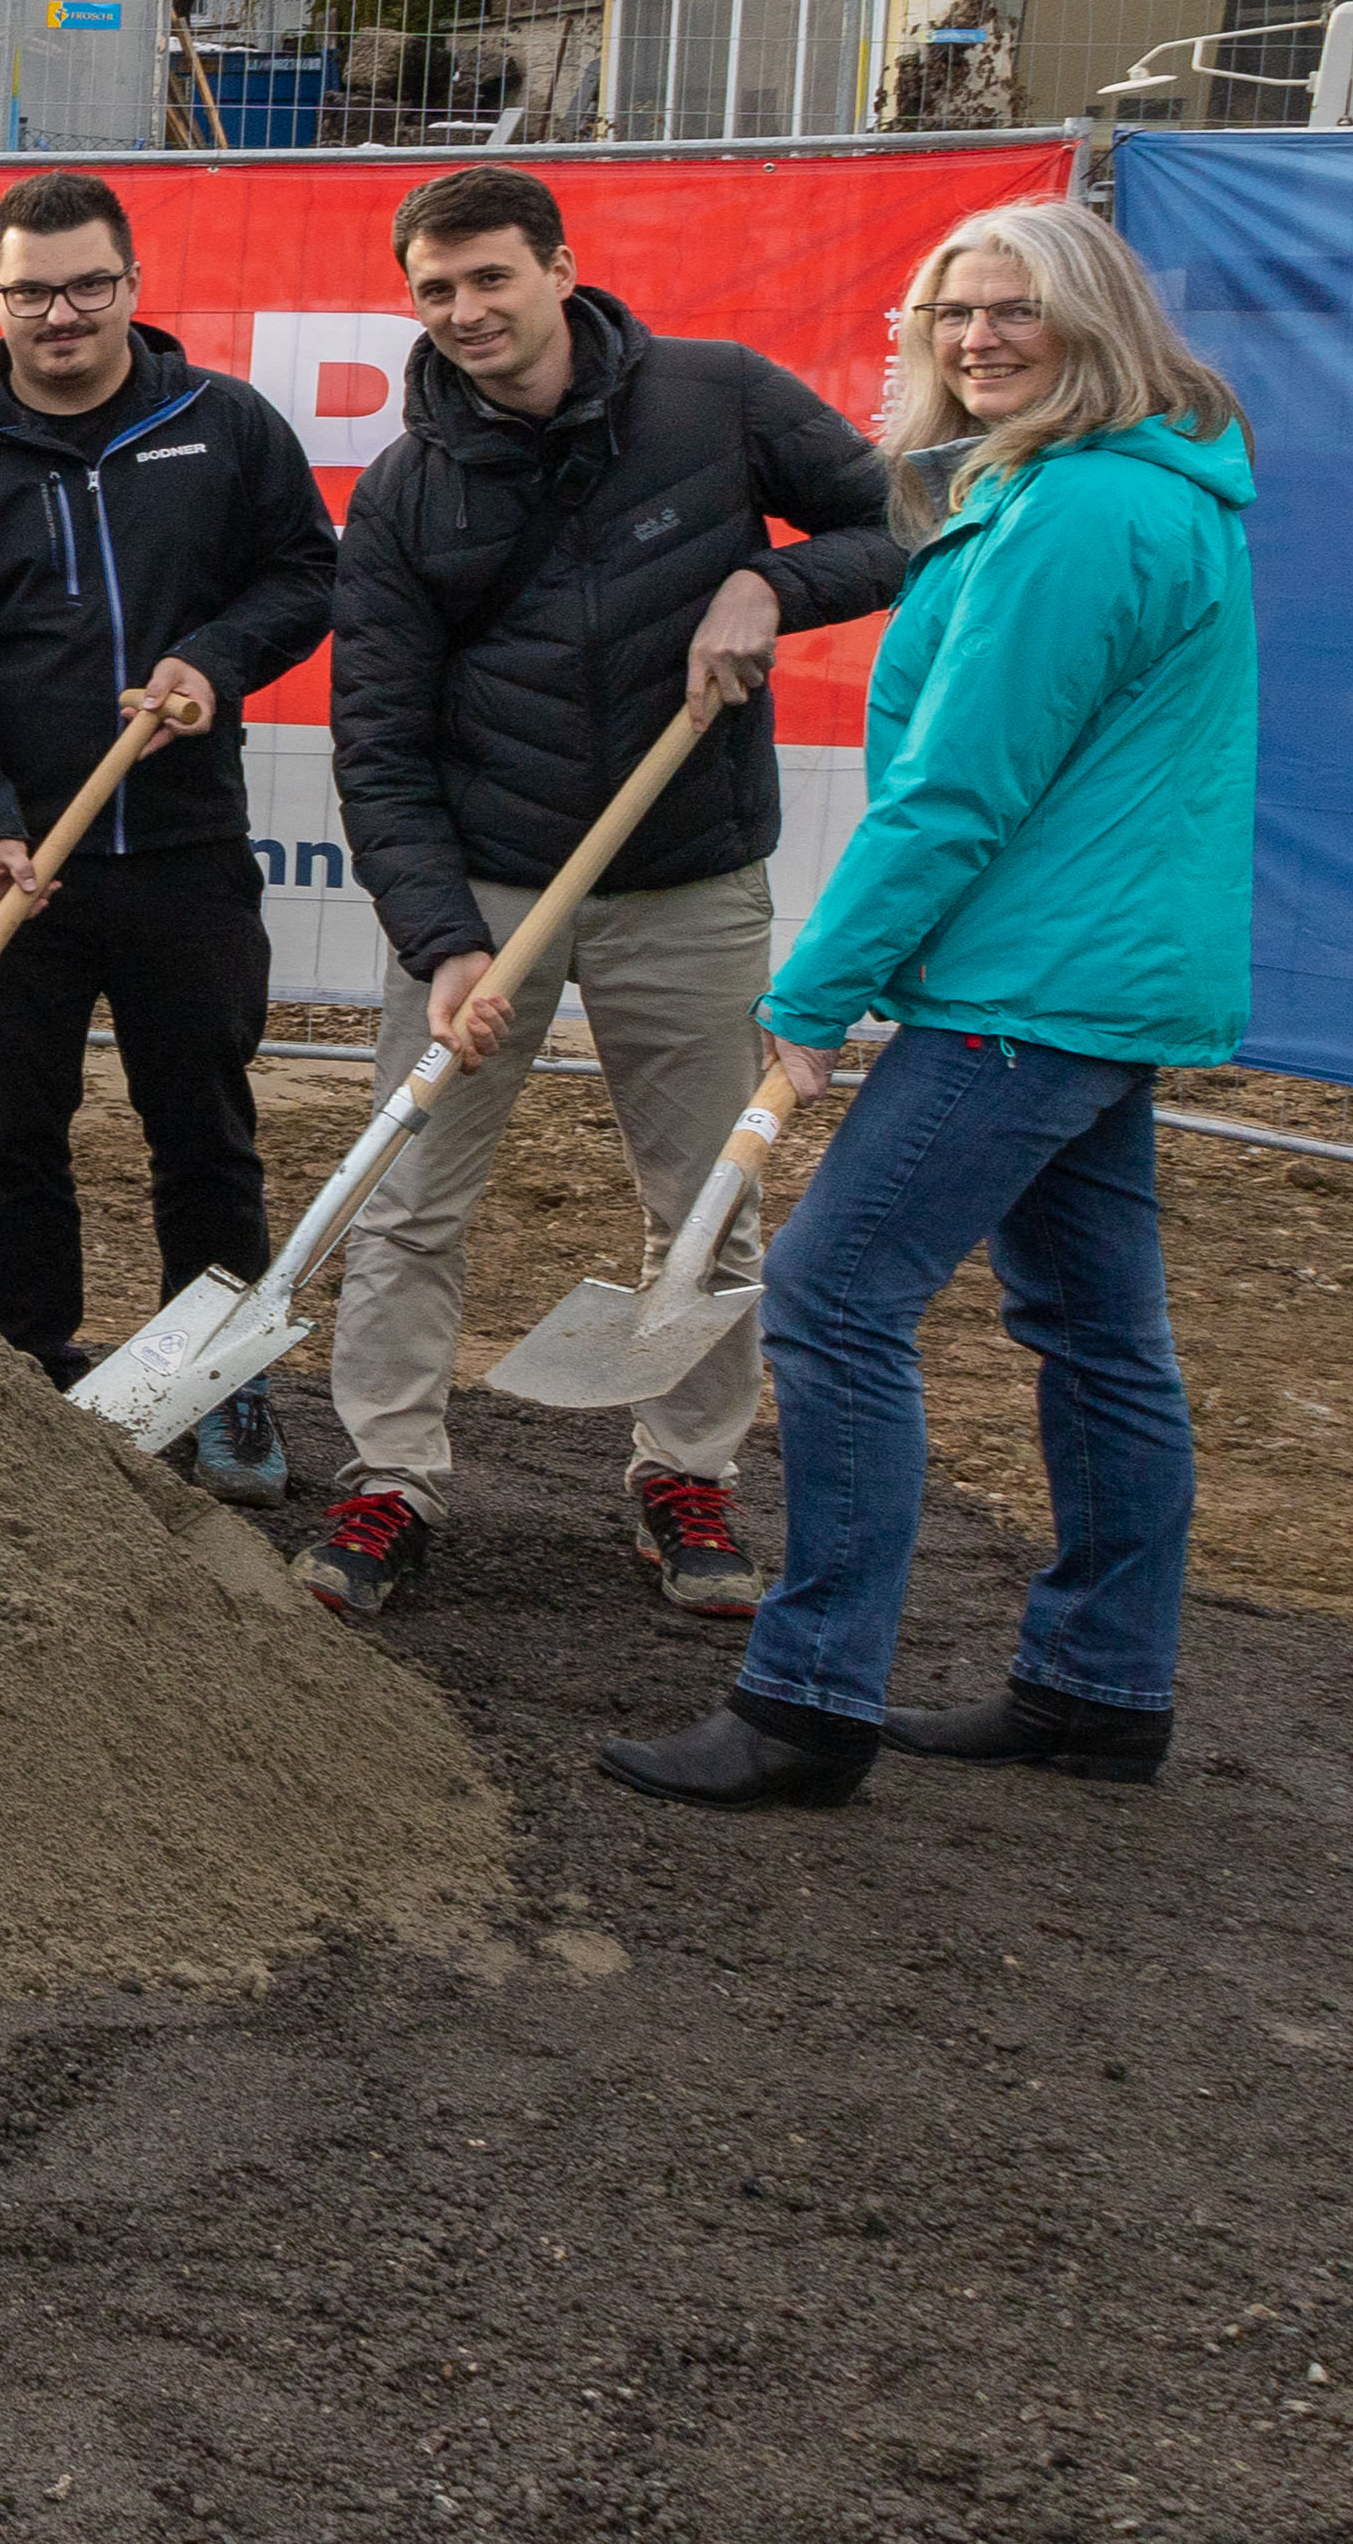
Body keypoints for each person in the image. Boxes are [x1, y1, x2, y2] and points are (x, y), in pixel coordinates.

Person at [602, 201, 1256, 1809]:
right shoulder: (1082, 489)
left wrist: (817, 997)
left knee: (831, 1299)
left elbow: (959, 789)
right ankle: (1103, 1685)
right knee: (1096, 1331)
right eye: (952, 312)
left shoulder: (1080, 513)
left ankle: (807, 1700)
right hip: (1089, 978)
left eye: (1016, 309)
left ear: (1092, 320)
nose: (979, 338)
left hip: (1029, 985)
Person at [305, 161, 907, 1626]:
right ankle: (391, 1476)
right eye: (434, 290)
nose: (464, 312)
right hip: (493, 885)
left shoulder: (715, 400)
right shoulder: (408, 487)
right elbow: (376, 739)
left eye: (491, 277)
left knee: (707, 1193)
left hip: (688, 875)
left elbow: (902, 519)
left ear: (560, 268)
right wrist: (441, 942)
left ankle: (683, 1471)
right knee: (408, 1197)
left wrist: (776, 588)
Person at [0, 167, 340, 1490]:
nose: (58, 313)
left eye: (84, 285)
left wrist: (216, 660)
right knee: (10, 1132)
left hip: (184, 855)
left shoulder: (223, 426)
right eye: (31, 291)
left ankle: (218, 1378)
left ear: (130, 286)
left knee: (204, 1129)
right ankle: (30, 1367)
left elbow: (305, 572)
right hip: (20, 871)